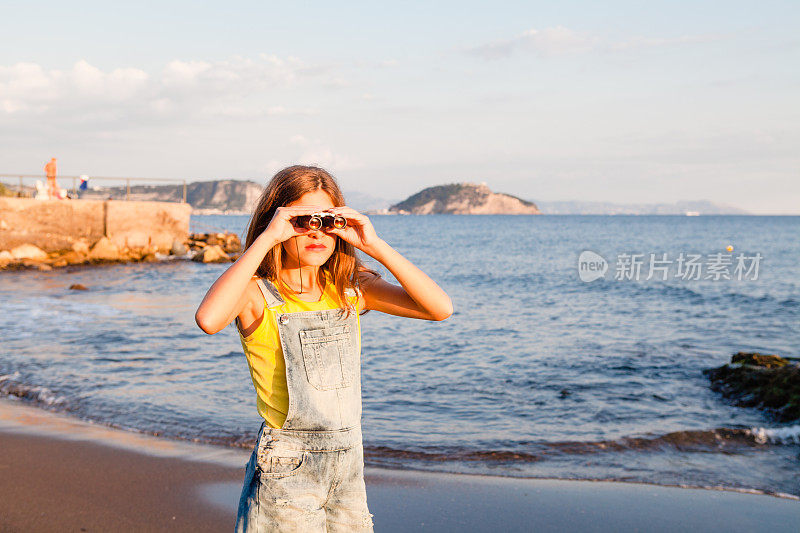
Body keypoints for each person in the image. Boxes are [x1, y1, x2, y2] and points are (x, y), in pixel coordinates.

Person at [194, 165, 453, 532]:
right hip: (288, 464)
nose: (316, 232)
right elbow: (208, 319)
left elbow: (439, 309)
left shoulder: (350, 288)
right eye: (302, 220)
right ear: (278, 221)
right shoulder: (256, 293)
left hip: (348, 461)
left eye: (328, 221)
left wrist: (373, 245)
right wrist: (267, 239)